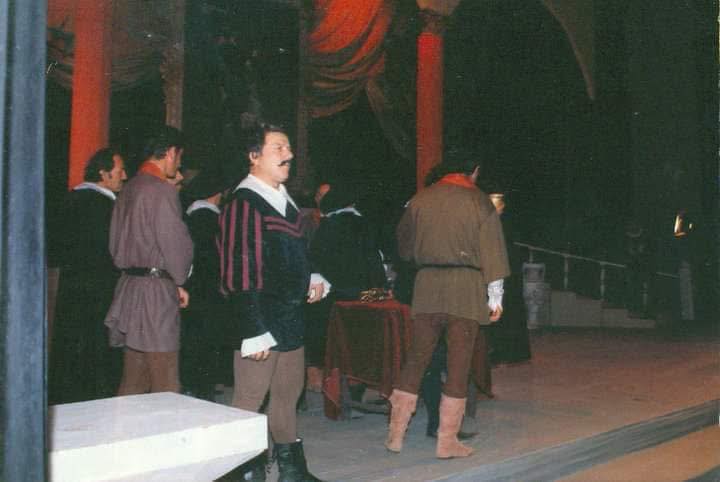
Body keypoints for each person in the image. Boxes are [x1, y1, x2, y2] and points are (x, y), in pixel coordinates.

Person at [218, 122, 326, 481]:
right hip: (260, 318)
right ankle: (242, 474)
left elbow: (294, 251)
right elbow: (238, 268)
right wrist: (253, 328)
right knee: (249, 400)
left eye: (289, 147)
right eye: (279, 147)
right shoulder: (244, 201)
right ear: (254, 156)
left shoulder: (283, 199)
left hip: (290, 318)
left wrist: (311, 275)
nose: (289, 155)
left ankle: (293, 473)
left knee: (287, 396)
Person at [385, 148, 510, 459]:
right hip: (465, 287)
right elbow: (493, 251)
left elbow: (404, 247)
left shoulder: (420, 199)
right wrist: (495, 296)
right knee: (458, 365)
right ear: (474, 170)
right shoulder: (479, 201)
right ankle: (447, 441)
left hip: (427, 285)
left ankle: (395, 435)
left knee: (416, 359)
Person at [104, 126, 194, 395]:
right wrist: (180, 279)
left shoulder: (129, 188)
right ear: (170, 153)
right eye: (179, 157)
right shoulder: (162, 190)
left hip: (129, 289)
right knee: (166, 383)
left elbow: (114, 244)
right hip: (155, 296)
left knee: (134, 379)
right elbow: (176, 246)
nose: (179, 165)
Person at [48, 148, 127, 404]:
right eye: (119, 170)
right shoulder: (108, 207)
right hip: (102, 290)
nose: (124, 176)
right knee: (98, 356)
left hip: (71, 287)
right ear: (103, 173)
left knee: (70, 351)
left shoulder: (69, 199)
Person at [304, 183, 386, 392]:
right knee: (360, 340)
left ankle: (320, 377)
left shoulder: (328, 225)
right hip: (363, 295)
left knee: (325, 335)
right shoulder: (364, 223)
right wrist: (380, 289)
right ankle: (359, 383)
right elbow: (374, 260)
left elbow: (315, 259)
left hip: (333, 296)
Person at [179, 167, 234, 400]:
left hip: (191, 286)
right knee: (207, 340)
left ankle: (190, 383)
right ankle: (204, 389)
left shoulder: (190, 215)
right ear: (217, 193)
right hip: (209, 288)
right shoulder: (211, 219)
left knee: (191, 338)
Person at [486, 188, 531, 365]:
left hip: (504, 271)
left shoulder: (500, 224)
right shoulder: (498, 224)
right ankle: (505, 351)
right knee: (505, 310)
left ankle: (502, 352)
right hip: (504, 270)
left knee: (503, 310)